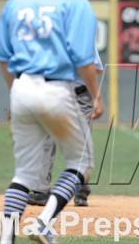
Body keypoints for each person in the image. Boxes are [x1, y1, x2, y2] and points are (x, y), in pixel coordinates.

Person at [0, 0, 103, 244]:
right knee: (81, 164)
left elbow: (2, 55)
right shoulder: (76, 3)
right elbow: (84, 60)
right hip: (56, 89)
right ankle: (43, 223)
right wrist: (95, 95)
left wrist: (15, 92)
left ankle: (5, 240)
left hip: (22, 86)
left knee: (24, 175)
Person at [27, 48, 103, 208]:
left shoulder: (83, 36)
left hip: (80, 94)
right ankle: (40, 191)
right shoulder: (50, 35)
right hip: (52, 93)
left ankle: (81, 190)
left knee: (80, 144)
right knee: (46, 140)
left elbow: (97, 69)